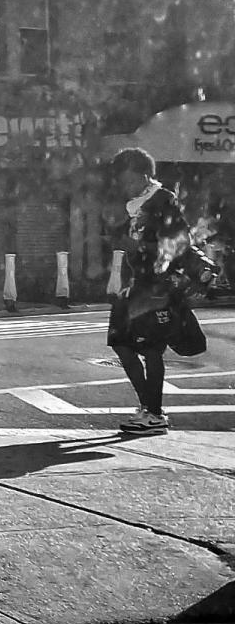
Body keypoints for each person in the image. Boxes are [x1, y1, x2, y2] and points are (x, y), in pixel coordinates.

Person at [106, 147, 216, 436]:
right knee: (120, 344)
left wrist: (141, 247)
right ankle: (148, 407)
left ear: (145, 174)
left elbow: (179, 245)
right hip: (134, 284)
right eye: (121, 181)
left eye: (129, 180)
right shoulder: (129, 204)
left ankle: (154, 415)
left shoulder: (163, 200)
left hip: (157, 286)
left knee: (151, 350)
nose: (125, 186)